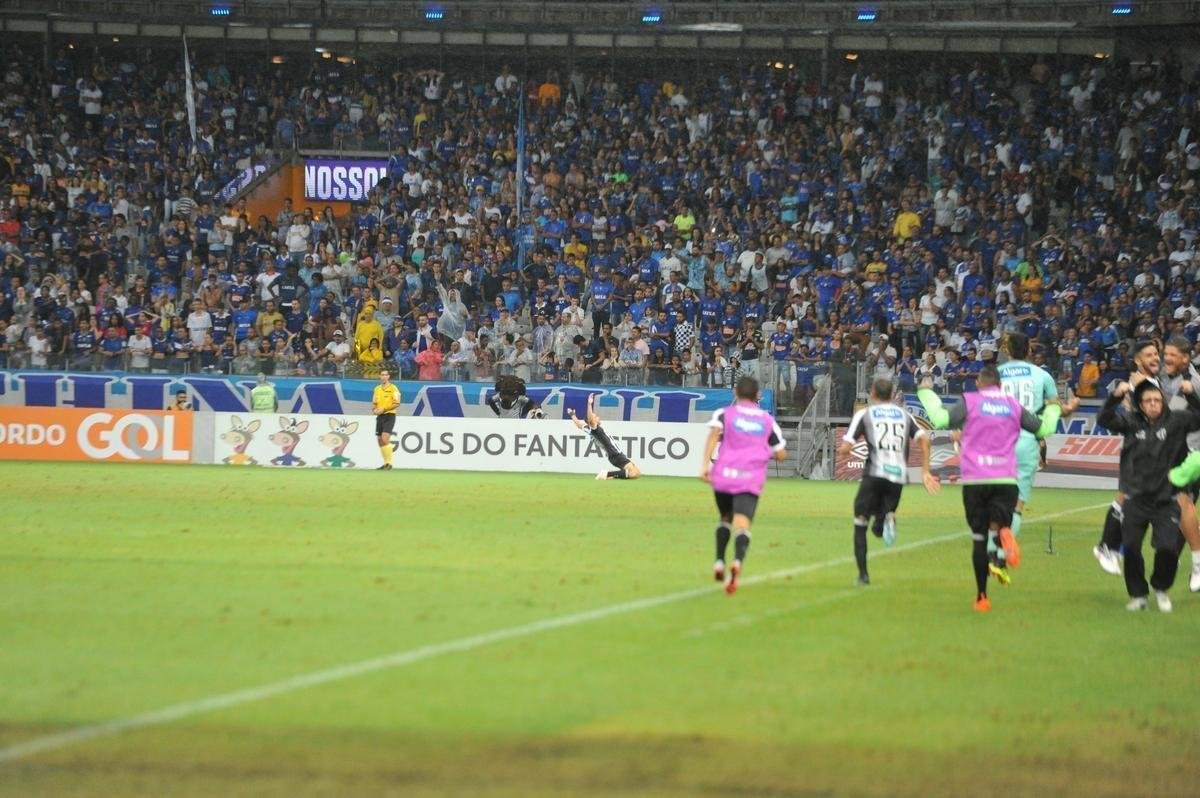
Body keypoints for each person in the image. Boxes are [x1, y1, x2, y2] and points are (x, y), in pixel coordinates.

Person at [918, 365, 1047, 612]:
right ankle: (1004, 532)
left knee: (978, 540)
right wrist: (1052, 409)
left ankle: (981, 597)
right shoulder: (1012, 404)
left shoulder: (971, 401)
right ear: (1000, 385)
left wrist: (926, 393)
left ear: (979, 383)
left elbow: (941, 419)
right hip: (1006, 480)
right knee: (1001, 521)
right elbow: (1040, 428)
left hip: (976, 479)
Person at [1099, 377, 1200, 611]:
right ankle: (1138, 596)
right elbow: (1104, 419)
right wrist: (1115, 396)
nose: (1154, 404)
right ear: (1141, 404)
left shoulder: (1177, 420)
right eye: (1148, 400)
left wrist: (1192, 395)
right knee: (1132, 548)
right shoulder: (1130, 422)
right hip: (1136, 500)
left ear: (1163, 402)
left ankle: (1161, 588)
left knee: (1167, 549)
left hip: (1167, 501)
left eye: (1157, 399)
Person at [839, 378, 939, 586]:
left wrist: (843, 450)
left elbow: (847, 448)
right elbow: (925, 440)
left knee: (860, 522)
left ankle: (863, 575)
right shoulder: (905, 415)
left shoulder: (865, 414)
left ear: (873, 393)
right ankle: (886, 517)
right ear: (892, 394)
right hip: (898, 477)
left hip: (874, 474)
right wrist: (926, 471)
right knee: (877, 526)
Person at [700, 376, 787, 595]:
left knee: (725, 518)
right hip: (749, 478)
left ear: (735, 392)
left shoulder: (724, 413)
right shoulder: (766, 420)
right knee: (742, 523)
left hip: (724, 475)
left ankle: (719, 561)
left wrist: (704, 466)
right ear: (758, 394)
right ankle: (737, 562)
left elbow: (713, 435)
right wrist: (764, 450)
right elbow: (781, 454)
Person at [996, 332, 1074, 576]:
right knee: (1017, 504)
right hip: (1027, 439)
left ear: (1007, 350)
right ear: (1029, 351)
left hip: (997, 440)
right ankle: (1000, 555)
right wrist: (1069, 408)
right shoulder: (1042, 375)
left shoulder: (995, 374)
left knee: (997, 498)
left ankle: (992, 548)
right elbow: (1055, 408)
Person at [1094, 340, 1162, 577]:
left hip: (1152, 449)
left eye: (1156, 353)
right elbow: (1139, 415)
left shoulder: (1152, 381)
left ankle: (1114, 548)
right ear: (1138, 361)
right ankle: (1106, 547)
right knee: (1126, 498)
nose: (1155, 358)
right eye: (1149, 355)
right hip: (1140, 448)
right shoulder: (1140, 383)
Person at [568, 393, 641, 481]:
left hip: (615, 455)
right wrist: (589, 404)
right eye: (596, 417)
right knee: (633, 473)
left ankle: (609, 476)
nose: (598, 417)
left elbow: (579, 424)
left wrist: (572, 414)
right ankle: (606, 474)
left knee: (636, 472)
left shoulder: (590, 429)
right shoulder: (595, 429)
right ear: (592, 421)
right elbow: (590, 419)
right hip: (615, 455)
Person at [372, 368, 401, 470]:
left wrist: (384, 409)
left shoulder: (393, 388)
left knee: (385, 438)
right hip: (380, 416)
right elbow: (374, 403)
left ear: (389, 377)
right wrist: (375, 410)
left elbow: (397, 403)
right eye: (382, 375)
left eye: (386, 375)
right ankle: (385, 463)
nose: (384, 377)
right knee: (380, 440)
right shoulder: (377, 389)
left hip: (389, 415)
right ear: (379, 376)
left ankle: (389, 463)